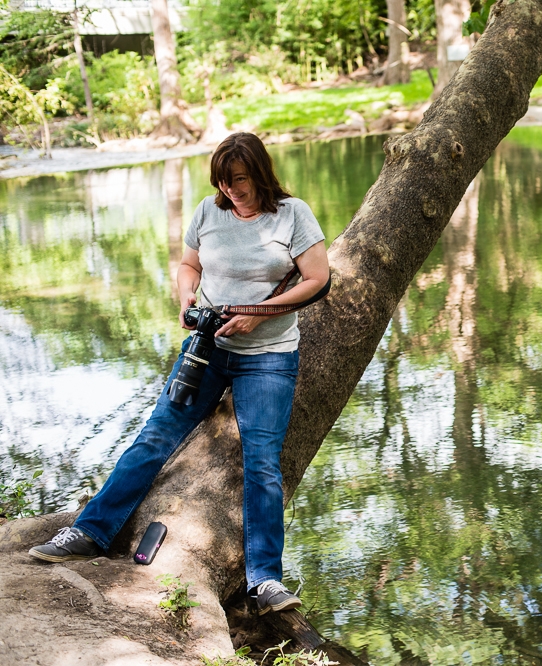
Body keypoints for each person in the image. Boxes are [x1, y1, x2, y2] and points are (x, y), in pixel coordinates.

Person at [28, 132, 329, 615]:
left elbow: (318, 278)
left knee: (262, 464)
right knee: (154, 438)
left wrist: (260, 311)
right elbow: (188, 265)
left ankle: (265, 582)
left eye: (239, 180)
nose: (231, 190)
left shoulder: (293, 214)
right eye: (223, 182)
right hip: (206, 348)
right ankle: (89, 530)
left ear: (260, 172)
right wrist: (186, 295)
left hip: (268, 355)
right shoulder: (208, 213)